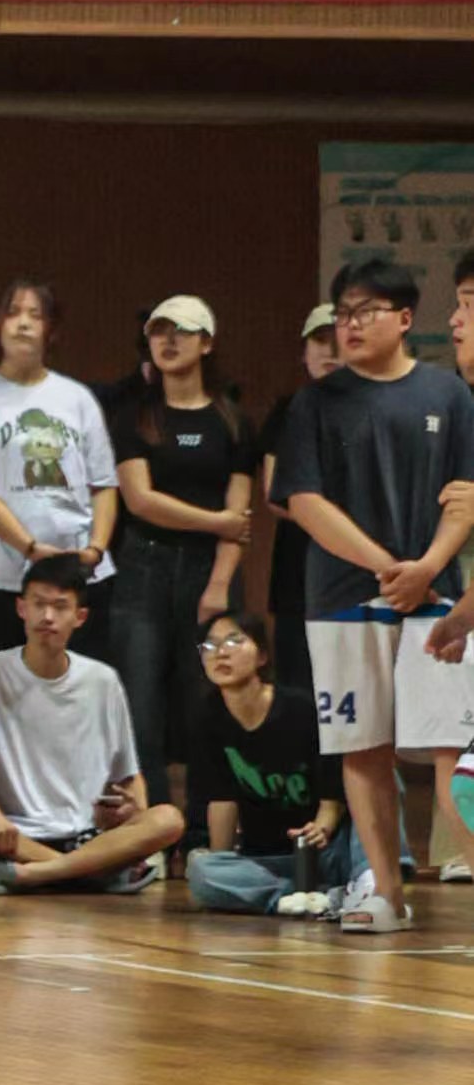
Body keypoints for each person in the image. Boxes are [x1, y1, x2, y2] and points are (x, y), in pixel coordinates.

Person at [267, 256, 474, 934]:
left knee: (452, 747)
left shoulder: (448, 394)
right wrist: (389, 566)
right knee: (362, 746)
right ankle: (386, 891)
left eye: (366, 311)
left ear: (405, 318)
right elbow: (303, 500)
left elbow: (466, 497)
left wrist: (429, 566)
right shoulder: (314, 402)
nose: (350, 325)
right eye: (343, 314)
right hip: (340, 597)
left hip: (436, 600)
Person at [0, 558, 186, 894]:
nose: (47, 617)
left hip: (86, 835)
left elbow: (129, 775)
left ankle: (34, 875)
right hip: (13, 834)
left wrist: (134, 811)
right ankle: (94, 872)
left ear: (80, 616)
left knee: (169, 819)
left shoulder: (103, 680)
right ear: (21, 608)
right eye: (38, 604)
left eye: (60, 607)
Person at [107, 295, 257, 815]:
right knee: (140, 703)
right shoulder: (134, 417)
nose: (168, 341)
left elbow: (240, 517)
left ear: (207, 342)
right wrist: (215, 521)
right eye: (159, 331)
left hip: (210, 571)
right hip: (143, 567)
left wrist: (219, 585)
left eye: (182, 331)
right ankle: (153, 822)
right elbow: (140, 501)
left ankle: (202, 826)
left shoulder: (232, 420)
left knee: (207, 701)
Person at [0, 279, 119, 673]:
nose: (23, 323)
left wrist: (95, 549)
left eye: (35, 315)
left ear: (51, 330)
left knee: (75, 689)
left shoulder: (77, 397)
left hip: (76, 573)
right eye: (12, 313)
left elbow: (104, 485)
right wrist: (29, 547)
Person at [187, 611, 358, 915]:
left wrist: (323, 826)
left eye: (234, 641)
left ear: (262, 655)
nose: (221, 653)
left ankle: (369, 882)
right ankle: (295, 898)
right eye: (210, 646)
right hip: (265, 860)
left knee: (380, 784)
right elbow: (222, 801)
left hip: (325, 850)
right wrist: (221, 864)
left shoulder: (301, 708)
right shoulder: (206, 719)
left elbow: (333, 782)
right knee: (203, 871)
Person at [263, 303, 342, 700]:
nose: (330, 351)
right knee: (297, 685)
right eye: (319, 341)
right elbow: (274, 493)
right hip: (298, 563)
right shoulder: (288, 410)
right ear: (304, 352)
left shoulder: (379, 408)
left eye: (338, 340)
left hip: (363, 568)